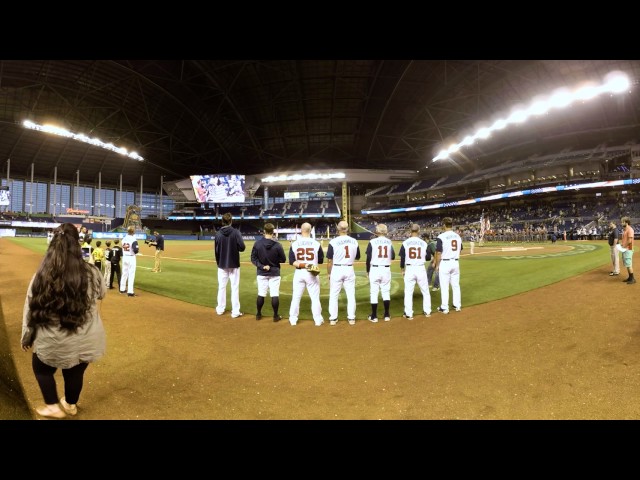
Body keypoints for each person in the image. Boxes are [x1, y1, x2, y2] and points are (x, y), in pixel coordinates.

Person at [20, 222, 106, 419]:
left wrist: (27, 337)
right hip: (86, 338)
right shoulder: (92, 271)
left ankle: (52, 406)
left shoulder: (41, 275)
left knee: (41, 370)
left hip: (53, 340)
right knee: (75, 372)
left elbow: (30, 310)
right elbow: (102, 294)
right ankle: (70, 404)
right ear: (77, 243)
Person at [289, 222, 325, 326]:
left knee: (296, 297)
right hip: (312, 273)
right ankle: (317, 320)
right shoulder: (316, 244)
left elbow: (292, 262)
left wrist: (303, 265)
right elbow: (321, 261)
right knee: (315, 298)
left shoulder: (294, 244)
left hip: (299, 272)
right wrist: (309, 265)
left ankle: (293, 319)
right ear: (310, 231)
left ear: (301, 230)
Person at [326, 220, 360, 325]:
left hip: (337, 269)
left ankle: (333, 318)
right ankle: (351, 318)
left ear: (338, 229)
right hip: (349, 268)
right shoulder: (354, 241)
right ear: (348, 229)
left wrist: (329, 274)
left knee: (333, 295)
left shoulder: (333, 242)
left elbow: (329, 261)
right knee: (351, 295)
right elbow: (358, 257)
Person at [251, 223, 286, 322]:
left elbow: (253, 259)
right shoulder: (278, 245)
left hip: (262, 272)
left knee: (261, 294)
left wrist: (262, 266)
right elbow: (283, 259)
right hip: (274, 272)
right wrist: (274, 261)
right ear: (273, 232)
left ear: (264, 231)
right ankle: (275, 316)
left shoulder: (257, 244)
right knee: (274, 294)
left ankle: (258, 314)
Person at [214, 212, 246, 318]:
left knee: (221, 287)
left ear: (222, 221)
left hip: (222, 264)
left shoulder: (218, 234)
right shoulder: (236, 232)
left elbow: (216, 251)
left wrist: (219, 263)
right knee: (234, 287)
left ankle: (220, 309)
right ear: (231, 221)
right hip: (234, 264)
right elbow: (242, 247)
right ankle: (235, 312)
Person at [399, 224, 431, 320]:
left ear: (410, 231)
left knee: (408, 292)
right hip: (420, 268)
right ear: (419, 231)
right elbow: (428, 257)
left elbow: (403, 258)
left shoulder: (405, 243)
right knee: (425, 291)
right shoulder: (424, 243)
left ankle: (409, 314)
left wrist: (402, 269)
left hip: (410, 269)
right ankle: (427, 311)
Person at [365, 223, 395, 322]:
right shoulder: (389, 242)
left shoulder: (372, 241)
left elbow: (368, 258)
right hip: (386, 269)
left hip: (374, 268)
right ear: (386, 231)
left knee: (374, 292)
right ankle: (387, 315)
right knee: (386, 292)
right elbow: (393, 256)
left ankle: (374, 316)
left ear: (377, 231)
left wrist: (367, 270)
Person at [435, 217, 463, 314]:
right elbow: (460, 249)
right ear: (452, 225)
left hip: (445, 262)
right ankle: (457, 305)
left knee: (444, 286)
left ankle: (445, 307)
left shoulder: (441, 237)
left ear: (444, 225)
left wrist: (437, 265)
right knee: (456, 285)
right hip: (455, 262)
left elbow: (438, 252)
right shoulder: (457, 236)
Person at [120, 225, 139, 297]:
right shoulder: (133, 239)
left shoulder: (123, 239)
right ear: (133, 231)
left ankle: (122, 289)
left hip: (124, 257)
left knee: (124, 273)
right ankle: (130, 291)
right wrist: (137, 252)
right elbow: (136, 250)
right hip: (131, 257)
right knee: (131, 274)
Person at [620, 216, 635, 284]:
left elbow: (629, 241)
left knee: (629, 264)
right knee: (627, 264)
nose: (621, 223)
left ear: (626, 222)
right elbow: (625, 240)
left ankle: (632, 279)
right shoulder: (625, 230)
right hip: (625, 249)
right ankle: (630, 277)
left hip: (628, 249)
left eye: (622, 222)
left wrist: (624, 246)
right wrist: (622, 245)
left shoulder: (630, 229)